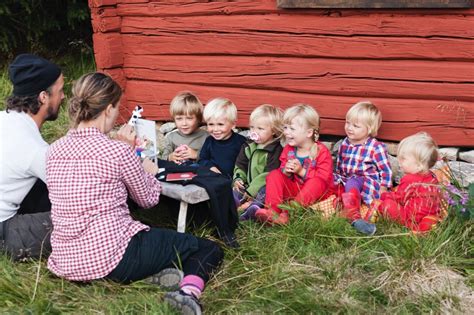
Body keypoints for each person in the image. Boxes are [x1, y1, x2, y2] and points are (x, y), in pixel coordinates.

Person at [46, 72, 223, 314]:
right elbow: (148, 200)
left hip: (65, 259)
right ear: (108, 109)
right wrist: (142, 166)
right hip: (111, 257)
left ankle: (149, 276)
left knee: (153, 245)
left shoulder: (54, 149)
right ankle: (187, 295)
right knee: (207, 248)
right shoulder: (117, 151)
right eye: (117, 109)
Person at [0, 54, 64, 261]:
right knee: (79, 218)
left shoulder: (4, 119)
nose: (63, 97)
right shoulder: (33, 148)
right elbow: (74, 186)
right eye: (60, 91)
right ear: (43, 97)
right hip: (3, 230)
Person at [255, 104, 335, 225]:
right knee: (274, 174)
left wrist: (301, 171)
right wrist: (286, 172)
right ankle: (273, 211)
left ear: (309, 133)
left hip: (316, 194)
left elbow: (324, 179)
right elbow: (283, 172)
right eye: (286, 128)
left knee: (317, 182)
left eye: (292, 129)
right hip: (295, 191)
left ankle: (289, 213)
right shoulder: (289, 149)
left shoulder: (321, 151)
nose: (286, 132)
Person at [334, 101, 392, 235]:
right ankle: (340, 203)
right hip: (346, 178)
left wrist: (383, 187)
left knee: (352, 182)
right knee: (330, 179)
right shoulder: (344, 143)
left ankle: (354, 216)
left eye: (356, 125)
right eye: (347, 123)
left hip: (365, 181)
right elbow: (340, 164)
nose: (349, 128)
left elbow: (385, 170)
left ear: (369, 128)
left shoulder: (375, 147)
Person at [370, 132, 442, 233]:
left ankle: (410, 226)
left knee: (387, 204)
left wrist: (384, 195)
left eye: (403, 159)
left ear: (419, 165)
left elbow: (399, 198)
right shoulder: (432, 177)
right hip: (429, 214)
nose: (399, 161)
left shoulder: (410, 179)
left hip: (411, 217)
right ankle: (428, 224)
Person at [233, 104, 284, 221]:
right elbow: (240, 164)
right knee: (237, 187)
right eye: (252, 127)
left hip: (261, 187)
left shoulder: (275, 150)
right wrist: (238, 178)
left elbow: (268, 174)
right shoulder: (248, 145)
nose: (254, 132)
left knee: (264, 192)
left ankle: (251, 208)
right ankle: (235, 202)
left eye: (260, 129)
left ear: (274, 131)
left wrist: (252, 190)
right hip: (248, 185)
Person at [198, 97, 246, 177]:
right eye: (211, 124)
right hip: (213, 178)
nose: (215, 129)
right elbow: (202, 159)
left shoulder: (241, 142)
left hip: (233, 181)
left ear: (233, 124)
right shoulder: (209, 141)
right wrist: (210, 167)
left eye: (220, 124)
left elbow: (245, 164)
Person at [161, 91, 208, 164]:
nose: (184, 123)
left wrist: (197, 155)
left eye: (189, 118)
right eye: (179, 119)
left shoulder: (206, 137)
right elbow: (163, 158)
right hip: (177, 172)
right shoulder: (171, 137)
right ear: (174, 119)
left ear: (198, 118)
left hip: (199, 172)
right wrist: (170, 157)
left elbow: (213, 158)